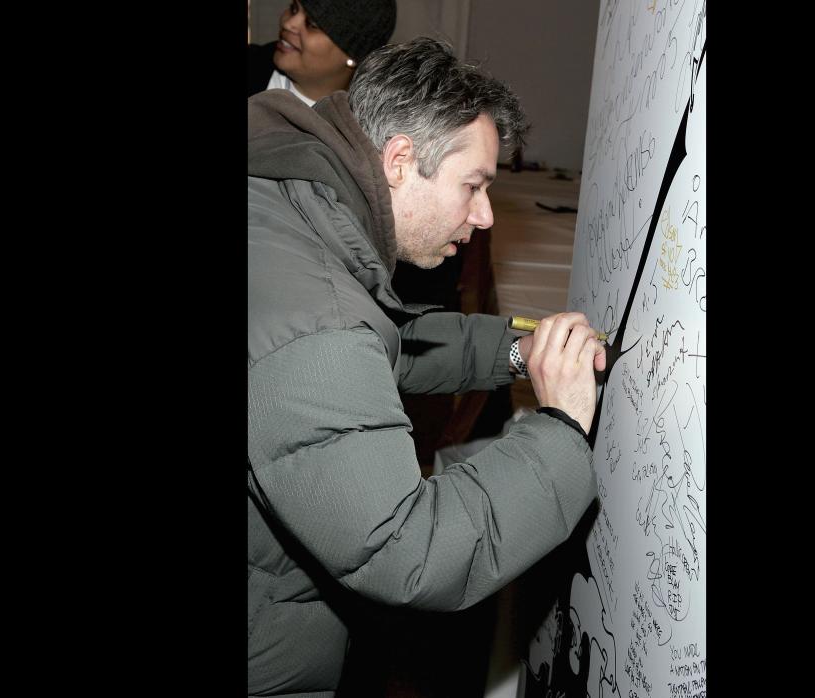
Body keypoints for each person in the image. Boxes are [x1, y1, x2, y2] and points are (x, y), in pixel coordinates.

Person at [248, 37, 607, 697]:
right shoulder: (320, 322)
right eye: (473, 186)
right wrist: (559, 425)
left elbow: (380, 340)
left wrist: (514, 349)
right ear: (399, 159)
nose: (485, 215)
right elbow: (410, 555)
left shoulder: (295, 189)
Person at [247, 0, 397, 106]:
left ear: (353, 56)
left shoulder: (371, 131)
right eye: (294, 8)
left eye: (312, 24)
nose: (288, 23)